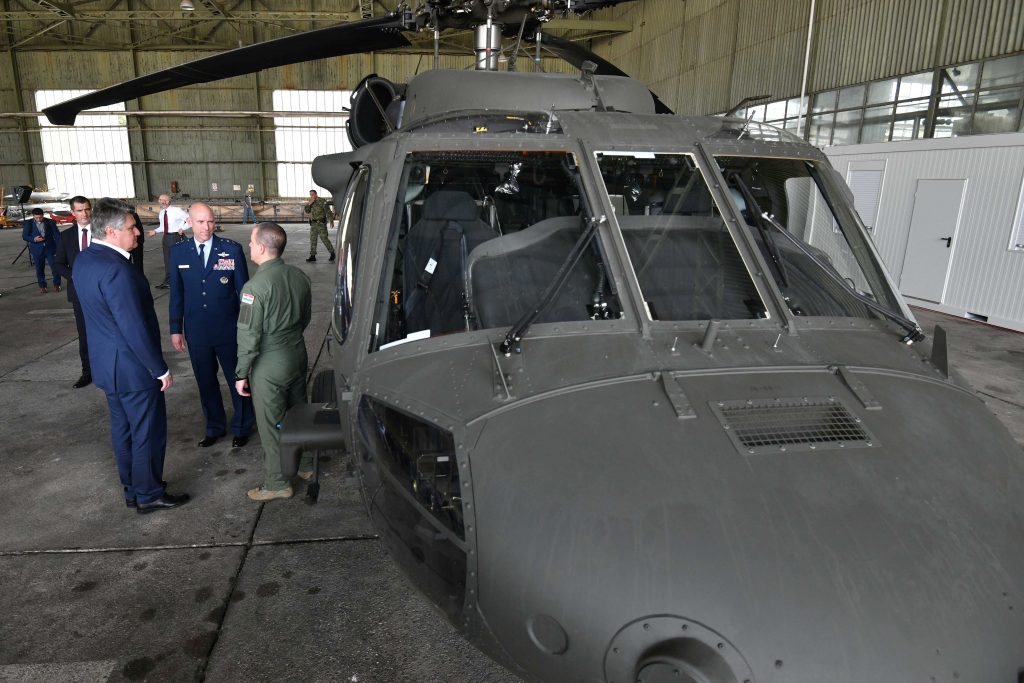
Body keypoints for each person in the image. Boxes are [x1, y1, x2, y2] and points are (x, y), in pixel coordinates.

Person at [73, 198, 189, 514]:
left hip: (106, 366)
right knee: (147, 432)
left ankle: (132, 489)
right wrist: (159, 369)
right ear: (111, 232)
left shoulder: (85, 260)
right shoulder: (117, 270)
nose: (137, 232)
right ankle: (149, 494)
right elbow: (133, 327)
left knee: (123, 431)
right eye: (131, 227)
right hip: (132, 369)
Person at [235, 222, 313, 501]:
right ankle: (306, 464)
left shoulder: (254, 287)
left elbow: (248, 335)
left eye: (251, 241)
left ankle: (278, 482)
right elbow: (305, 317)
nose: (249, 245)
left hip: (270, 362)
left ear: (261, 247)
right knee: (298, 413)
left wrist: (241, 373)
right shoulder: (299, 276)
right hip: (297, 353)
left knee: (270, 425)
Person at [169, 202, 254, 448]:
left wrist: (246, 327)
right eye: (200, 222)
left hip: (229, 329)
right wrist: (176, 329)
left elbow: (245, 293)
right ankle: (214, 427)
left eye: (210, 221)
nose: (206, 227)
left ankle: (242, 426)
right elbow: (176, 294)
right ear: (189, 222)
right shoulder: (178, 252)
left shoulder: (231, 250)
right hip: (197, 331)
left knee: (238, 379)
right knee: (205, 381)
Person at [55, 196, 94, 388]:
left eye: (87, 209)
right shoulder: (66, 236)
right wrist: (75, 276)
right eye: (79, 210)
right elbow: (59, 263)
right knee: (84, 334)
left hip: (105, 291)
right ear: (73, 213)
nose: (84, 214)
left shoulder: (104, 231)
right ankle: (88, 372)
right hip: (79, 293)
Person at [148, 194, 188, 288]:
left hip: (176, 237)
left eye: (165, 200)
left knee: (178, 260)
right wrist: (155, 231)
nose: (163, 202)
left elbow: (190, 220)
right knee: (167, 261)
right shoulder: (162, 213)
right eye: (160, 200)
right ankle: (169, 281)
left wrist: (183, 228)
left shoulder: (176, 210)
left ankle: (181, 281)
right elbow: (162, 227)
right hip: (166, 237)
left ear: (169, 201)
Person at [22, 208, 62, 293]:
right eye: (36, 218)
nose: (39, 219)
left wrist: (60, 247)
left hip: (50, 249)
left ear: (43, 215)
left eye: (40, 217)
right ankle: (42, 286)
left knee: (55, 267)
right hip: (37, 250)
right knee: (39, 269)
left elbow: (57, 235)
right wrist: (34, 239)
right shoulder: (28, 223)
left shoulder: (50, 222)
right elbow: (25, 236)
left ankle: (57, 284)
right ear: (33, 216)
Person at [303, 189, 335, 262]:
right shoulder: (311, 202)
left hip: (321, 224)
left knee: (324, 239)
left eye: (312, 194)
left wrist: (331, 221)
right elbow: (307, 211)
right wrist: (309, 204)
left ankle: (332, 253)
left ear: (316, 194)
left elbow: (328, 211)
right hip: (313, 224)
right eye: (310, 195)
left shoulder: (322, 201)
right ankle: (312, 256)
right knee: (313, 240)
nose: (311, 196)